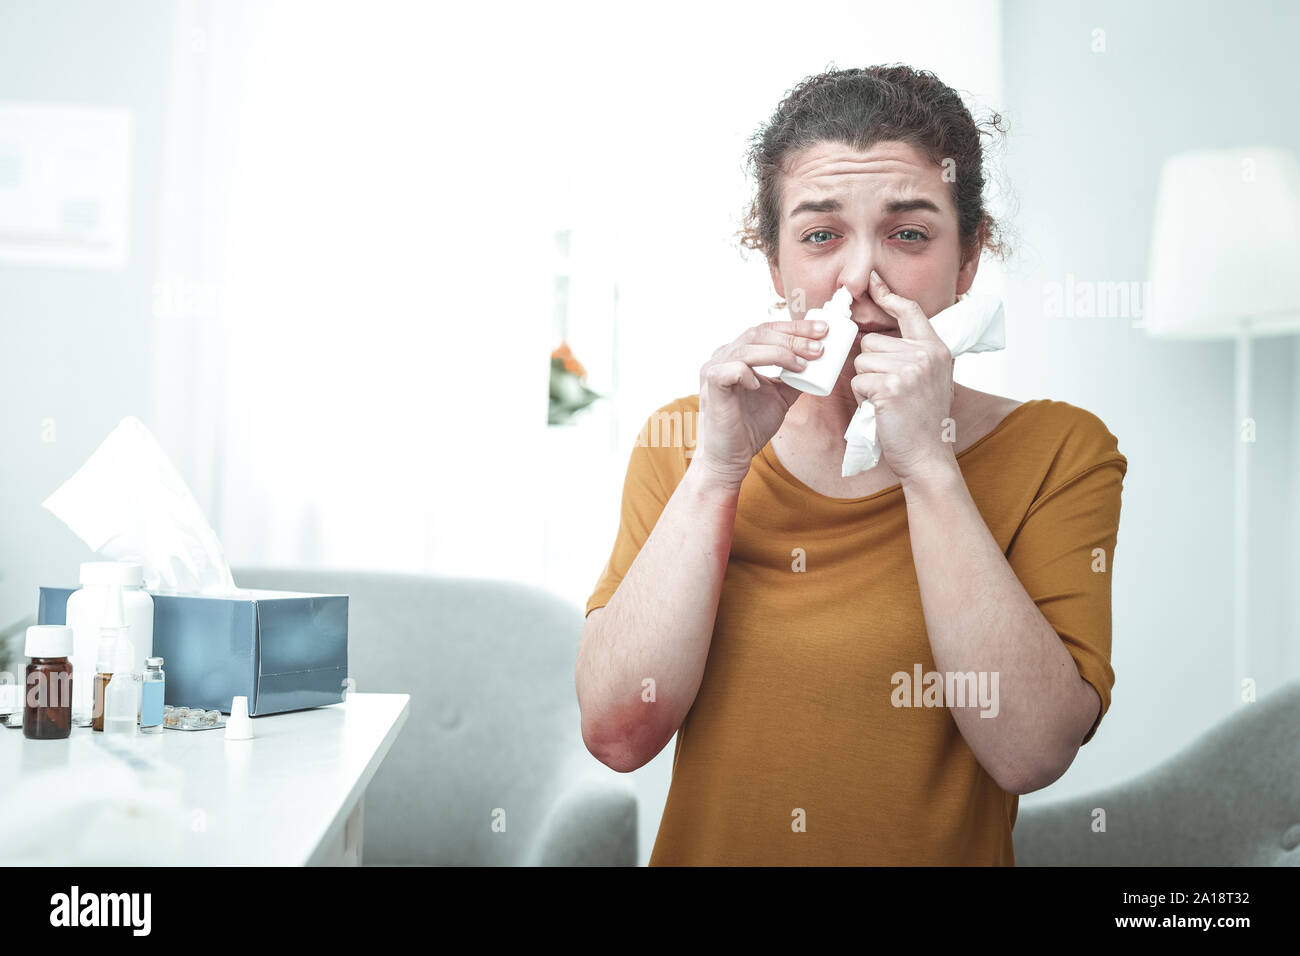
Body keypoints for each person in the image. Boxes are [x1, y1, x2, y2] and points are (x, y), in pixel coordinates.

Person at [575, 64, 1127, 866]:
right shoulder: (689, 439)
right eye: (821, 235)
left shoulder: (1060, 453)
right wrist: (717, 475)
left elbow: (1032, 752)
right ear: (775, 267)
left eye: (909, 234)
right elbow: (618, 734)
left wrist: (930, 468)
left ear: (969, 258)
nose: (860, 280)